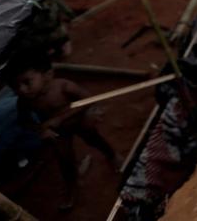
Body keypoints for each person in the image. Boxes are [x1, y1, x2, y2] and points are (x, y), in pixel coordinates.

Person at [9, 51, 120, 210]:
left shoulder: (63, 86)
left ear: (47, 74)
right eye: (15, 87)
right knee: (64, 160)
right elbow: (24, 121)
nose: (22, 90)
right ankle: (72, 187)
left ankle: (112, 155)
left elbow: (88, 99)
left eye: (27, 82)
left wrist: (59, 119)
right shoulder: (24, 101)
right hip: (58, 133)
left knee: (94, 138)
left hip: (79, 121)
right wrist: (41, 130)